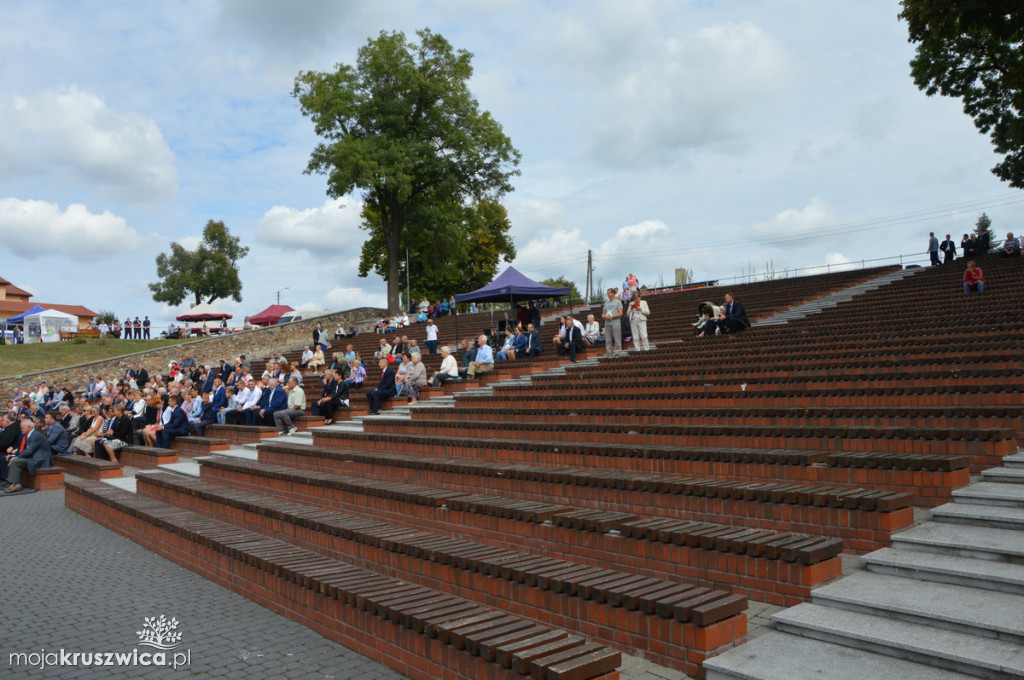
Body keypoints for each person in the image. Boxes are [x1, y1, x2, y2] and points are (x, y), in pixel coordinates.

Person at [3, 418, 51, 493]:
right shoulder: (29, 435)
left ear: (28, 427)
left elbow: (29, 450)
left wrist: (16, 457)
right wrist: (14, 456)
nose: (20, 429)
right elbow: (25, 450)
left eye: (22, 428)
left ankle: (16, 485)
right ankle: (13, 483)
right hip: (33, 457)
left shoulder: (35, 435)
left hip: (39, 459)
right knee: (13, 460)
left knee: (16, 462)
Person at [602, 288, 623, 356]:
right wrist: (605, 316)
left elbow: (620, 313)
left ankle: (617, 353)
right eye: (607, 293)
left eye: (609, 293)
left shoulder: (618, 302)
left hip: (616, 323)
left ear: (613, 293)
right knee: (608, 340)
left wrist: (612, 316)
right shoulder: (606, 303)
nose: (608, 294)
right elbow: (603, 314)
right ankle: (609, 353)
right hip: (607, 323)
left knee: (617, 339)